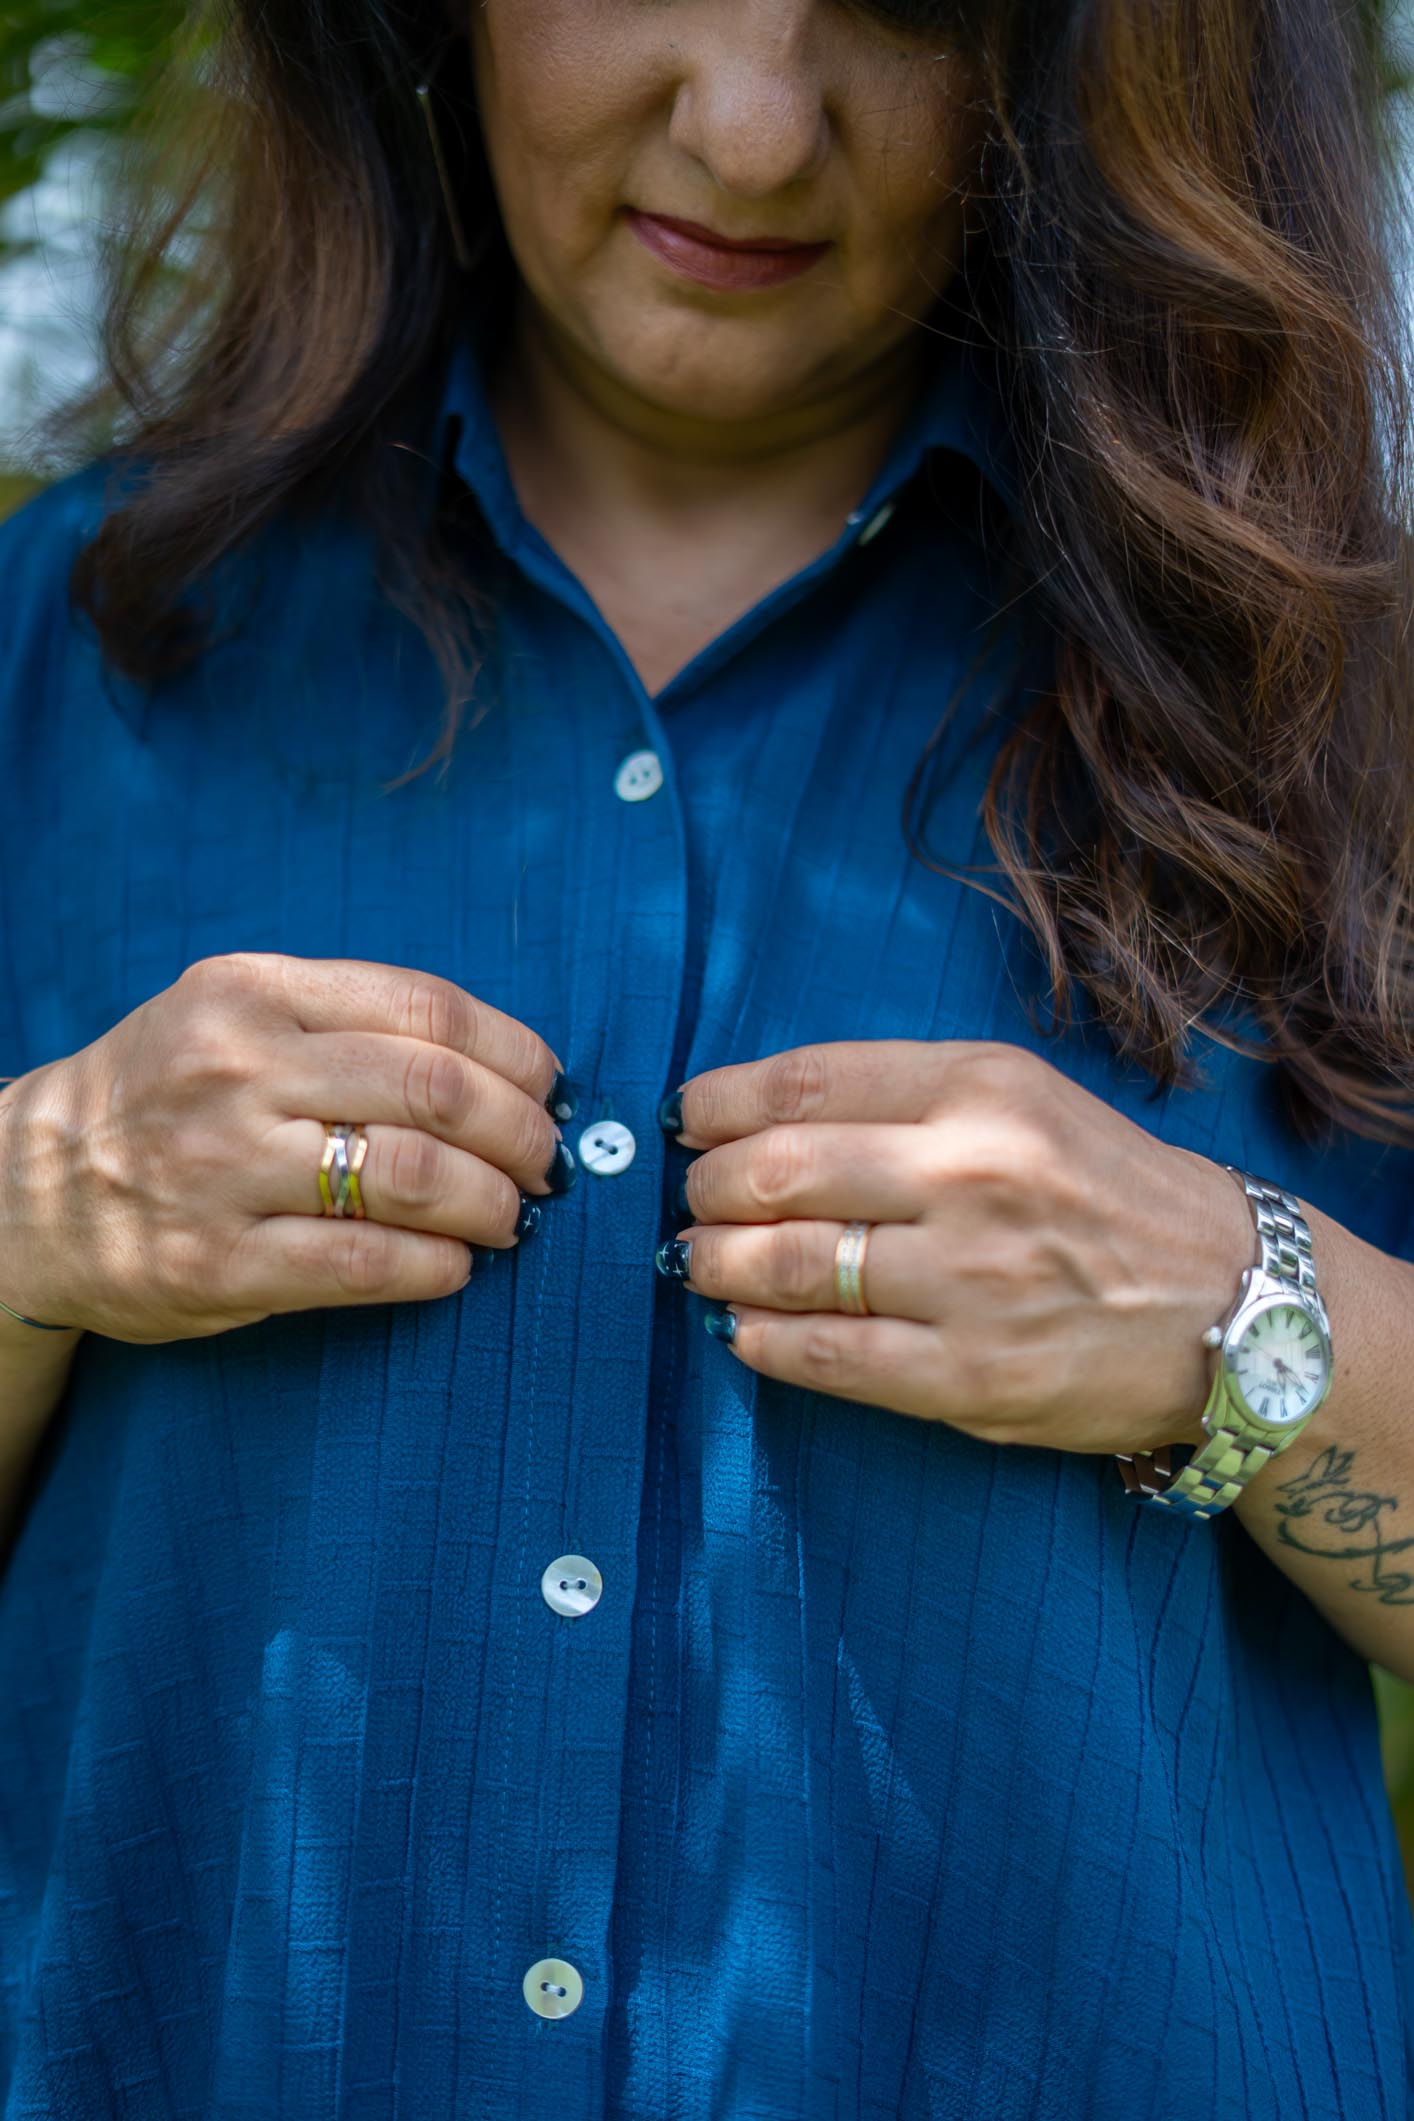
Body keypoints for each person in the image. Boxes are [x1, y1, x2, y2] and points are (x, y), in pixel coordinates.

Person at [1, 0, 1413, 2113]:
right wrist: (30, 1219)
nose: (748, 133)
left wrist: (1234, 1315)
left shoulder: (1341, 698)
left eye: (904, 8)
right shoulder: (62, 633)